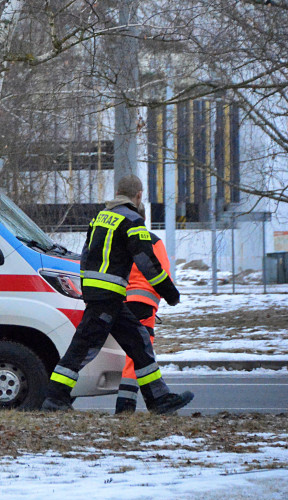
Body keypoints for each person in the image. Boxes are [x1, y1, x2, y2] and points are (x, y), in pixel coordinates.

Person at [41, 175, 193, 415]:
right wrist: (170, 293)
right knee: (83, 348)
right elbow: (147, 262)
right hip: (108, 297)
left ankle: (159, 399)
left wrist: (90, 289)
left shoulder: (101, 217)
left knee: (139, 343)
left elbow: (87, 253)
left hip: (102, 295)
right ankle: (55, 397)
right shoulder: (132, 220)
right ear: (139, 195)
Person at [116, 218, 171, 414]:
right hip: (144, 304)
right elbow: (162, 275)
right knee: (138, 354)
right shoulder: (153, 241)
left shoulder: (118, 240)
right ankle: (126, 405)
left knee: (134, 353)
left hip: (120, 302)